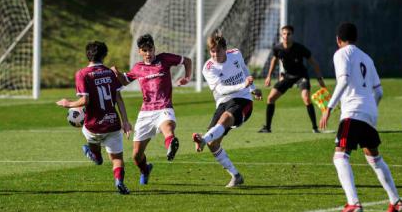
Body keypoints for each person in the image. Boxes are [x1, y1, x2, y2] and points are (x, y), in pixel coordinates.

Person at [319, 22, 402, 212]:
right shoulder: (367, 58)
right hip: (369, 113)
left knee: (340, 156)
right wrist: (369, 110)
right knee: (374, 158)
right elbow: (379, 92)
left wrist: (329, 108)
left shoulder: (341, 54)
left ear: (338, 40)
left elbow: (344, 80)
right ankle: (395, 201)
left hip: (353, 111)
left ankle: (353, 203)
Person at [113, 34, 192, 185]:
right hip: (146, 112)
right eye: (145, 50)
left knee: (167, 127)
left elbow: (187, 61)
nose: (148, 53)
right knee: (136, 155)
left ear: (154, 49)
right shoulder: (137, 68)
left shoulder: (164, 59)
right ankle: (145, 170)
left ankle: (170, 145)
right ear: (140, 52)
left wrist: (187, 78)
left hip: (164, 106)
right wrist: (116, 73)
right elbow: (124, 81)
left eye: (150, 50)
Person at [57, 41, 132, 195]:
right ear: (104, 55)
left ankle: (95, 155)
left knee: (92, 140)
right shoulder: (110, 73)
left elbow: (85, 101)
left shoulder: (82, 74)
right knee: (117, 158)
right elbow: (118, 98)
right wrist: (125, 121)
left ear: (87, 55)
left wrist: (68, 104)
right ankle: (119, 182)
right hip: (113, 123)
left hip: (93, 125)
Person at [193, 32, 262, 188]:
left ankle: (202, 139)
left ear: (225, 49)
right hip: (223, 101)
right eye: (212, 51)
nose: (215, 54)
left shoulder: (235, 53)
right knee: (213, 143)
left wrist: (252, 88)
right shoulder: (208, 68)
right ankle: (236, 176)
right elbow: (221, 90)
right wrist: (242, 84)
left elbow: (244, 70)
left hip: (243, 100)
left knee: (226, 118)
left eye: (218, 50)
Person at [259, 25, 326, 133]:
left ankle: (315, 128)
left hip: (301, 76)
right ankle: (267, 127)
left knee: (306, 99)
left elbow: (313, 62)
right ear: (281, 35)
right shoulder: (278, 48)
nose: (286, 36)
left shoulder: (299, 48)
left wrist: (319, 78)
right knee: (270, 98)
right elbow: (274, 60)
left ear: (292, 35)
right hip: (287, 76)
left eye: (288, 34)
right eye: (284, 34)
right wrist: (269, 76)